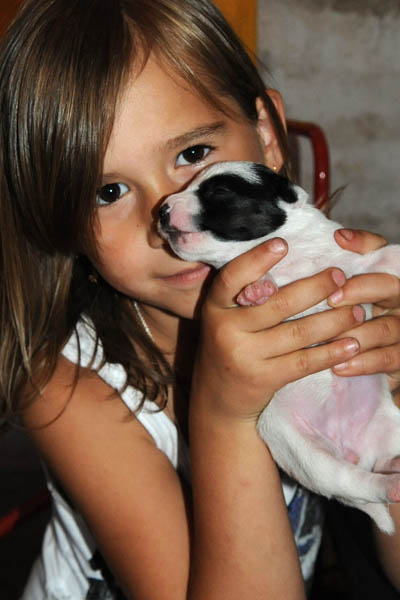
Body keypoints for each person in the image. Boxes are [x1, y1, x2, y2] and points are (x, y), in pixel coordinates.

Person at [0, 0, 399, 598]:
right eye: (109, 190)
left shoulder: (333, 295)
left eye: (193, 155)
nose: (164, 215)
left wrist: (391, 386)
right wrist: (224, 417)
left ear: (266, 137)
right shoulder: (63, 384)